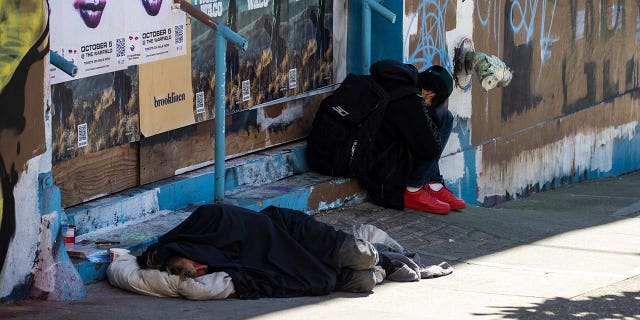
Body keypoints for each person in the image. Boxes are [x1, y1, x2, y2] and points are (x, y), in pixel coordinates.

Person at [360, 59, 466, 215]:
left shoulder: (399, 83)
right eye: (432, 102)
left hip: (374, 149)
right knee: (444, 117)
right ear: (431, 94)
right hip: (381, 167)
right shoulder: (411, 100)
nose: (430, 105)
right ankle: (414, 188)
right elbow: (429, 149)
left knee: (437, 119)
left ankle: (433, 183)